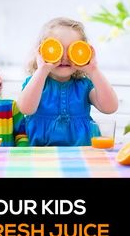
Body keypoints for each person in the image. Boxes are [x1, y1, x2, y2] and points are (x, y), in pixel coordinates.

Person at [17, 17, 118, 146]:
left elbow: (110, 107)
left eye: (72, 49)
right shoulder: (36, 83)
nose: (64, 57)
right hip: (40, 155)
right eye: (56, 48)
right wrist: (42, 70)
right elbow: (26, 109)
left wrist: (93, 70)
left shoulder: (84, 85)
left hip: (82, 153)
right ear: (42, 51)